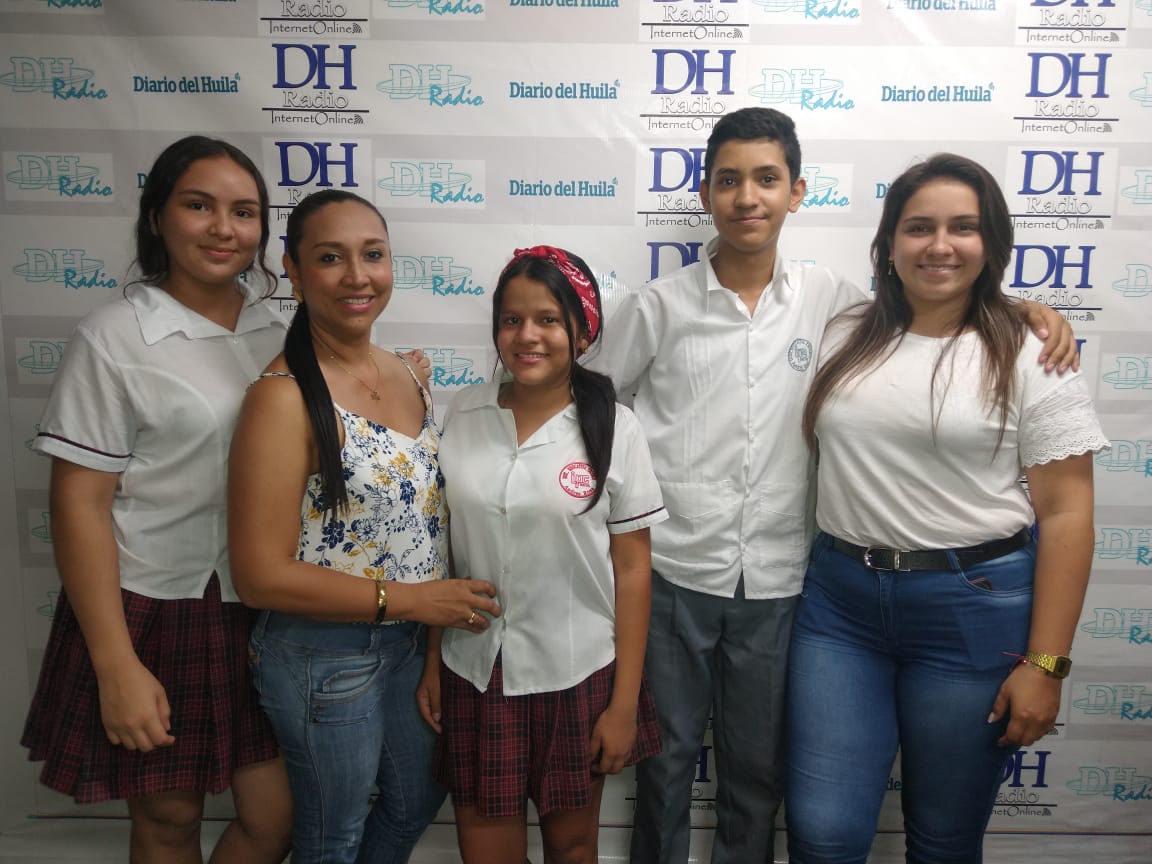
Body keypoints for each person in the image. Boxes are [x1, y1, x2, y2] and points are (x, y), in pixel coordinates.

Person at [581, 108, 1081, 864]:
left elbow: (940, 307)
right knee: (673, 767)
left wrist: (1020, 312)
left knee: (761, 777)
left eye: (767, 179)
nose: (748, 197)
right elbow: (586, 399)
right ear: (708, 193)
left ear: (798, 191)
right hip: (691, 576)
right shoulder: (665, 306)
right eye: (729, 180)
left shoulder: (834, 306)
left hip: (791, 583)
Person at [785, 153, 1109, 863]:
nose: (939, 245)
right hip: (840, 612)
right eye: (918, 227)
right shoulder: (843, 331)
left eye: (963, 228)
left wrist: (1047, 664)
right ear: (889, 243)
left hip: (973, 613)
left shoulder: (1032, 352)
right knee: (823, 834)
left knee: (943, 841)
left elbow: (1067, 514)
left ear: (990, 242)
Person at [22, 136, 293, 863]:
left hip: (269, 606)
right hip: (153, 610)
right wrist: (116, 665)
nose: (223, 228)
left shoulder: (285, 329)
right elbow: (78, 504)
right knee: (170, 819)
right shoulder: (114, 337)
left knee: (277, 819)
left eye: (244, 212)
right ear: (156, 218)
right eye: (198, 205)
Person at [227, 189, 502, 864]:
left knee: (414, 802)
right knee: (332, 836)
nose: (357, 276)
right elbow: (259, 575)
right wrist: (414, 602)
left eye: (372, 255)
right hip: (322, 658)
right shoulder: (280, 397)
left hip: (408, 647)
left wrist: (426, 633)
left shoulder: (403, 373)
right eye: (330, 258)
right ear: (291, 270)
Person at [422, 246, 667, 864]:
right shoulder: (463, 412)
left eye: (548, 320)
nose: (527, 335)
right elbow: (446, 554)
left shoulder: (615, 425)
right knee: (486, 854)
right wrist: (432, 661)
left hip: (577, 672)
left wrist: (623, 703)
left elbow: (634, 571)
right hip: (474, 671)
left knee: (572, 846)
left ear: (581, 331)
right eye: (511, 320)